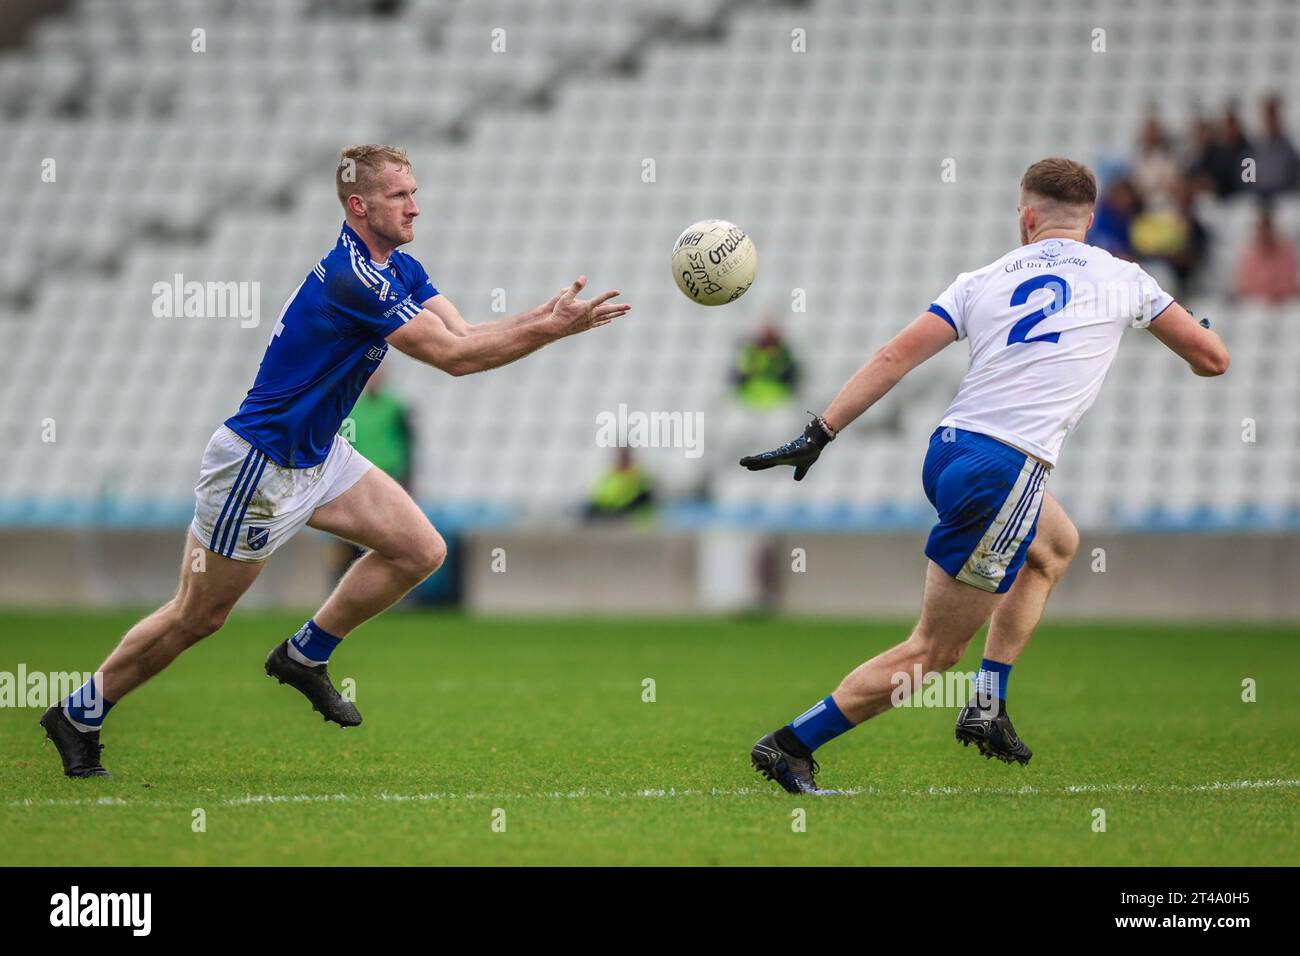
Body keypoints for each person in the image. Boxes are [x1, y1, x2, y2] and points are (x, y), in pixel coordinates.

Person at [39, 144, 630, 778]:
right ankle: (80, 712)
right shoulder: (354, 278)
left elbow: (463, 335)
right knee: (199, 615)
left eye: (414, 192)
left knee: (420, 549)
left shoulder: (399, 268)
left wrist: (547, 314)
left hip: (317, 457)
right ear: (359, 205)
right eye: (400, 196)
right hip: (259, 466)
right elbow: (456, 362)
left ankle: (305, 654)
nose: (415, 206)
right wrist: (552, 330)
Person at [740, 157, 1228, 794]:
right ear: (1092, 217)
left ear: (1027, 217)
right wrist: (1200, 337)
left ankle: (988, 703)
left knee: (1055, 546)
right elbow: (1213, 360)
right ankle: (791, 744)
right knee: (932, 654)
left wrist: (821, 432)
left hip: (949, 449)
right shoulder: (1124, 277)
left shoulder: (983, 278)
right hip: (1006, 468)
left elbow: (894, 356)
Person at [1236, 207, 1300, 302]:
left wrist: (1276, 293)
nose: (1266, 235)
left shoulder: (1286, 251)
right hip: (1256, 302)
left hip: (1284, 302)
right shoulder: (1249, 254)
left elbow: (1291, 281)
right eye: (1263, 231)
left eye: (1268, 231)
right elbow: (1245, 285)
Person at [732, 323, 800, 409]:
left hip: (776, 394)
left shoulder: (782, 353)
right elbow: (742, 371)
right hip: (754, 394)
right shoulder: (751, 352)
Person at [584, 448, 655, 521]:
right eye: (620, 458)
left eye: (624, 458)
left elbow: (644, 496)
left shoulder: (638, 476)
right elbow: (599, 496)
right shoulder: (610, 476)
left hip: (625, 510)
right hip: (606, 509)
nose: (621, 461)